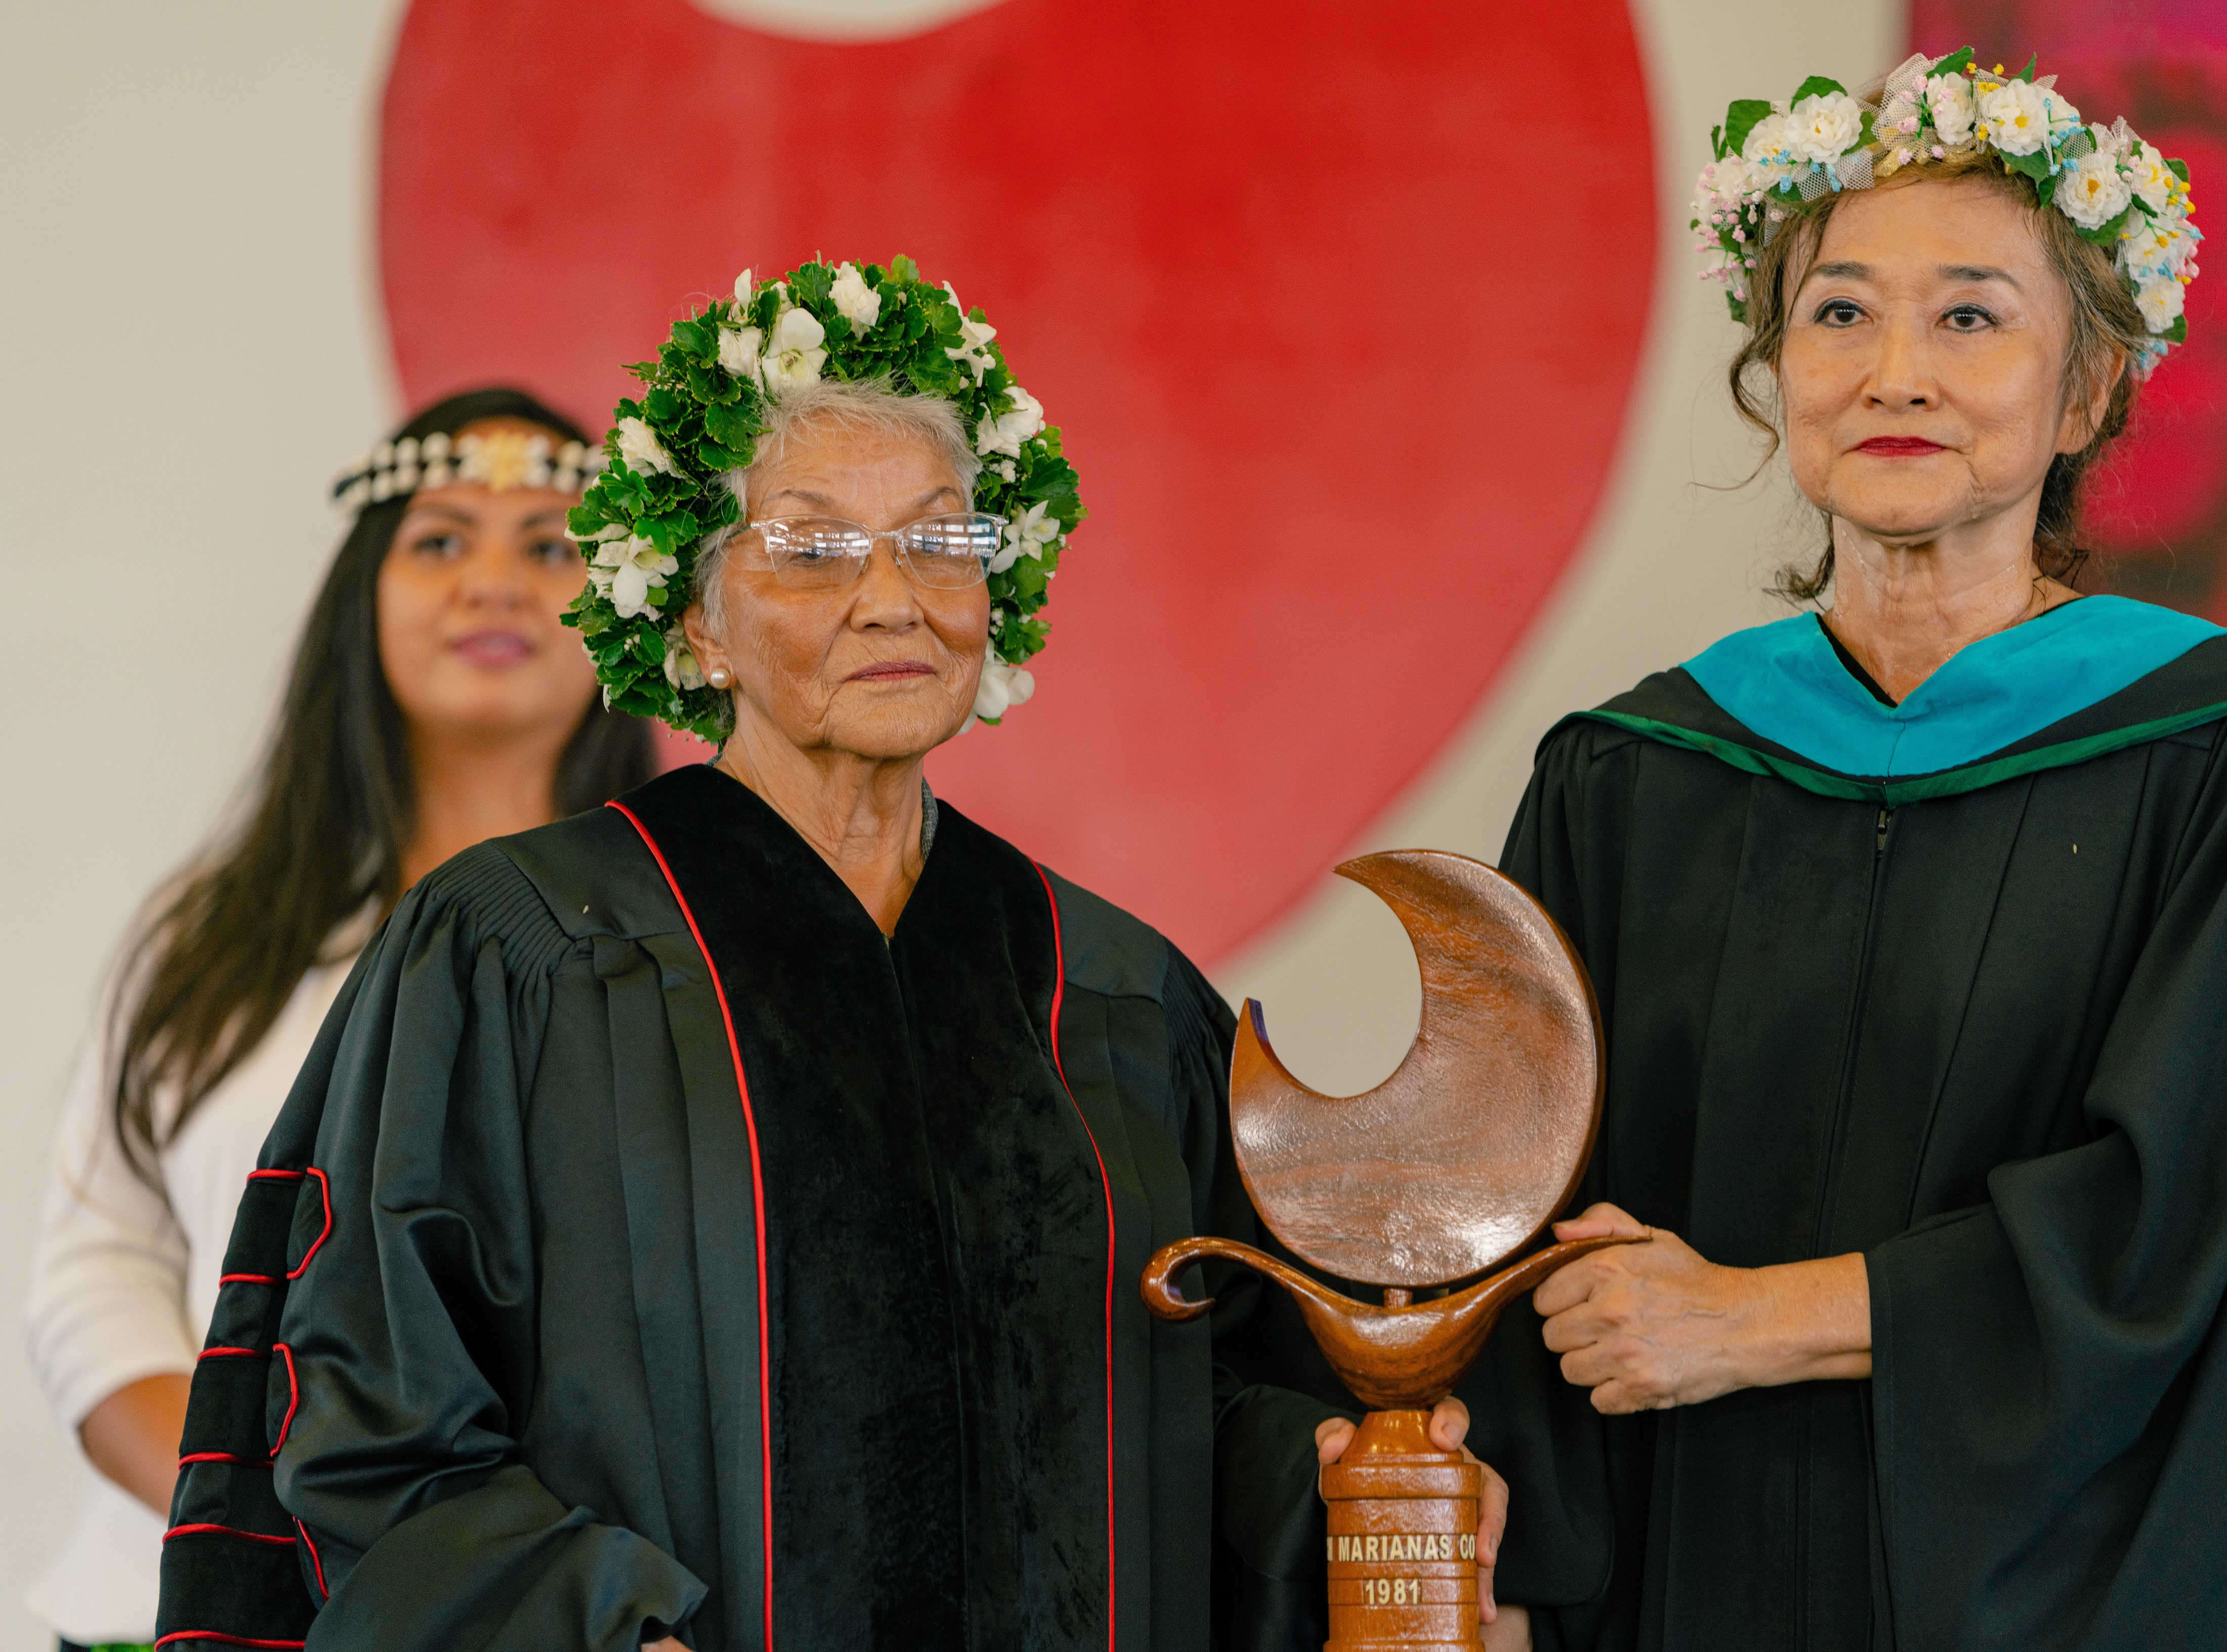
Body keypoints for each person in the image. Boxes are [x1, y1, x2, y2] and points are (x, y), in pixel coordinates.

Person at [150, 260, 1382, 1652]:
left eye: (939, 540)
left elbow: (1194, 1400)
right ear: (693, 622)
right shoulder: (523, 951)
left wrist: (1337, 1480)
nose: (891, 599)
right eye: (809, 548)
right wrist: (599, 1631)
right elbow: (372, 1408)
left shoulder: (1113, 988)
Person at [1459, 52, 2227, 1651]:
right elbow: (1530, 1215)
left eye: (1970, 316)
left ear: (2087, 394)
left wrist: (1748, 1319)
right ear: (1773, 373)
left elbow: (2187, 1215)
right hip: (1699, 1580)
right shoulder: (1629, 778)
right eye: (1838, 313)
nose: (1896, 372)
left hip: (2076, 1592)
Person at [22, 387, 654, 1651]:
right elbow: (99, 1268)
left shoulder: (681, 953)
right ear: (359, 597)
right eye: (440, 538)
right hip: (176, 1608)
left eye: (551, 544)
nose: (495, 581)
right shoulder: (214, 934)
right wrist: (259, 1520)